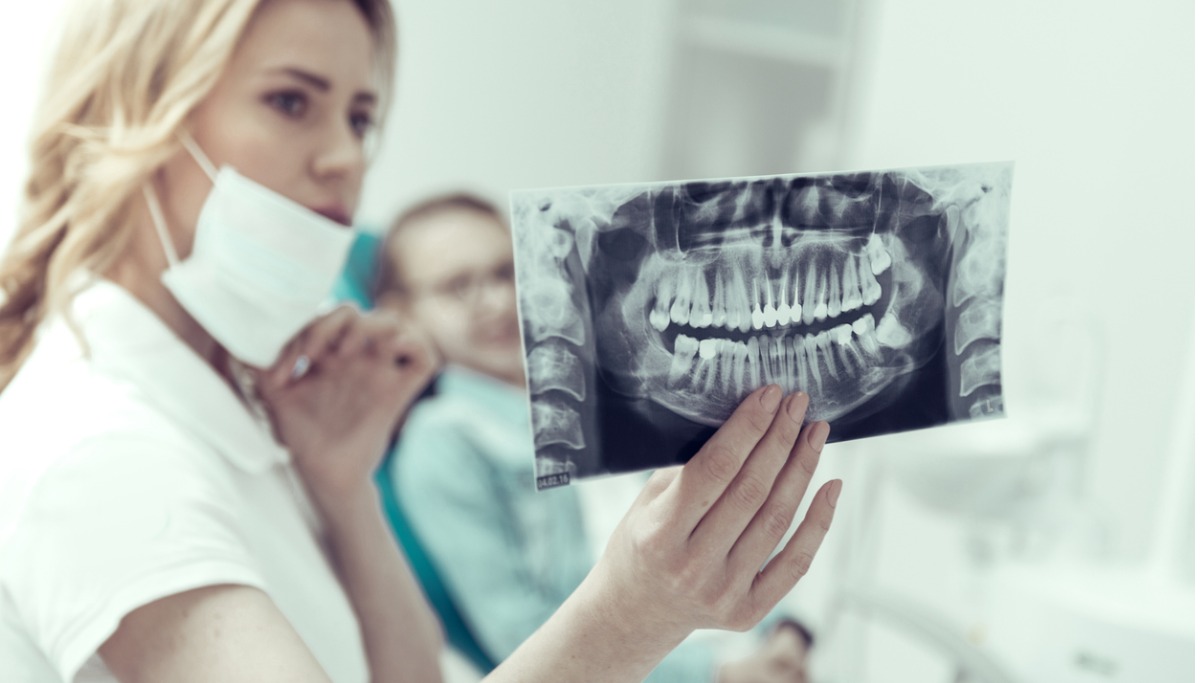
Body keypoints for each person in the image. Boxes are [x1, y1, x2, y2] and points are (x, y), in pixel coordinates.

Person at [0, 1, 840, 682]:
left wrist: (343, 488)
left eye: (360, 115)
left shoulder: (242, 410)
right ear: (133, 110)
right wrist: (634, 613)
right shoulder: (97, 446)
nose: (343, 157)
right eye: (290, 100)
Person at [373, 192, 816, 681]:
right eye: (458, 287)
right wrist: (721, 671)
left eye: (505, 272)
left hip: (746, 644)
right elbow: (520, 634)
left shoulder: (613, 388)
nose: (497, 301)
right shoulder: (442, 441)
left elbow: (737, 520)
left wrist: (785, 632)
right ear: (402, 312)